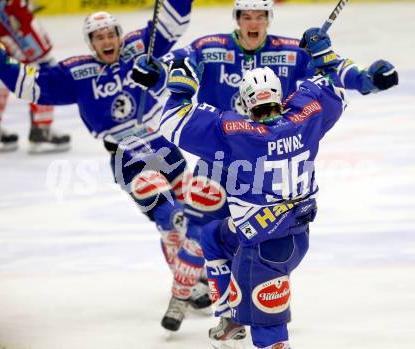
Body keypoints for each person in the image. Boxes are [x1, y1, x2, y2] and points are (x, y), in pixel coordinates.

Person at [158, 0, 398, 336]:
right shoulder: (209, 47)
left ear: (268, 19)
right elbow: (330, 80)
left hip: (225, 144)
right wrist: (355, 74)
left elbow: (171, 99)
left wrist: (169, 83)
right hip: (233, 164)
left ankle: (251, 307)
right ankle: (189, 297)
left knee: (228, 239)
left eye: (259, 15)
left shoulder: (288, 52)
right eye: (246, 15)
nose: (253, 22)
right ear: (237, 19)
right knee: (204, 234)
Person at [0, 1, 212, 313]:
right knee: (168, 216)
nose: (107, 41)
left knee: (194, 214)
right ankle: (185, 282)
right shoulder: (77, 72)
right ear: (91, 43)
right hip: (126, 156)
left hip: (161, 144)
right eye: (99, 37)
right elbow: (34, 85)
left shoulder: (139, 48)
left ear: (119, 35)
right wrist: (1, 62)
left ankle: (193, 274)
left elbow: (172, 25)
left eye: (111, 34)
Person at [154, 53, 349, 348]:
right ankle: (230, 321)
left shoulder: (236, 134)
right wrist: (324, 60)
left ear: (245, 102)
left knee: (270, 334)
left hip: (264, 251)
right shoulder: (306, 117)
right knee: (213, 236)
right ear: (280, 96)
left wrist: (181, 88)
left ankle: (245, 322)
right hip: (293, 236)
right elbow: (336, 91)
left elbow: (170, 122)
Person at [0, 0, 70, 153]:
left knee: (0, 67)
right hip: (10, 18)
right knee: (44, 69)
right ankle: (41, 128)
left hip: (3, 20)